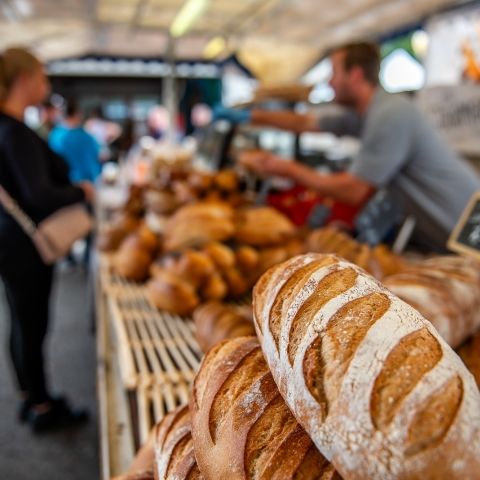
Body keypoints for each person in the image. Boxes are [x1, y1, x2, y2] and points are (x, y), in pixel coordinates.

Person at [216, 42, 480, 252]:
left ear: (354, 75)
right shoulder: (363, 113)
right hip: (449, 228)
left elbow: (353, 191)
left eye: (334, 72)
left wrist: (286, 169)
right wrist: (250, 116)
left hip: (471, 222)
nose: (329, 82)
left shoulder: (390, 115)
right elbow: (305, 122)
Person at [0, 47, 94, 432]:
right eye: (42, 76)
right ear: (23, 80)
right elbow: (38, 194)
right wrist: (80, 192)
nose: (47, 84)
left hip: (10, 239)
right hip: (26, 246)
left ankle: (29, 396)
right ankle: (41, 406)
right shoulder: (15, 131)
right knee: (32, 322)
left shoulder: (7, 128)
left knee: (20, 321)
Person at [49, 99, 101, 184]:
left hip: (60, 183)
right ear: (78, 114)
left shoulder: (54, 135)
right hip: (85, 184)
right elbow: (97, 157)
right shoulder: (86, 137)